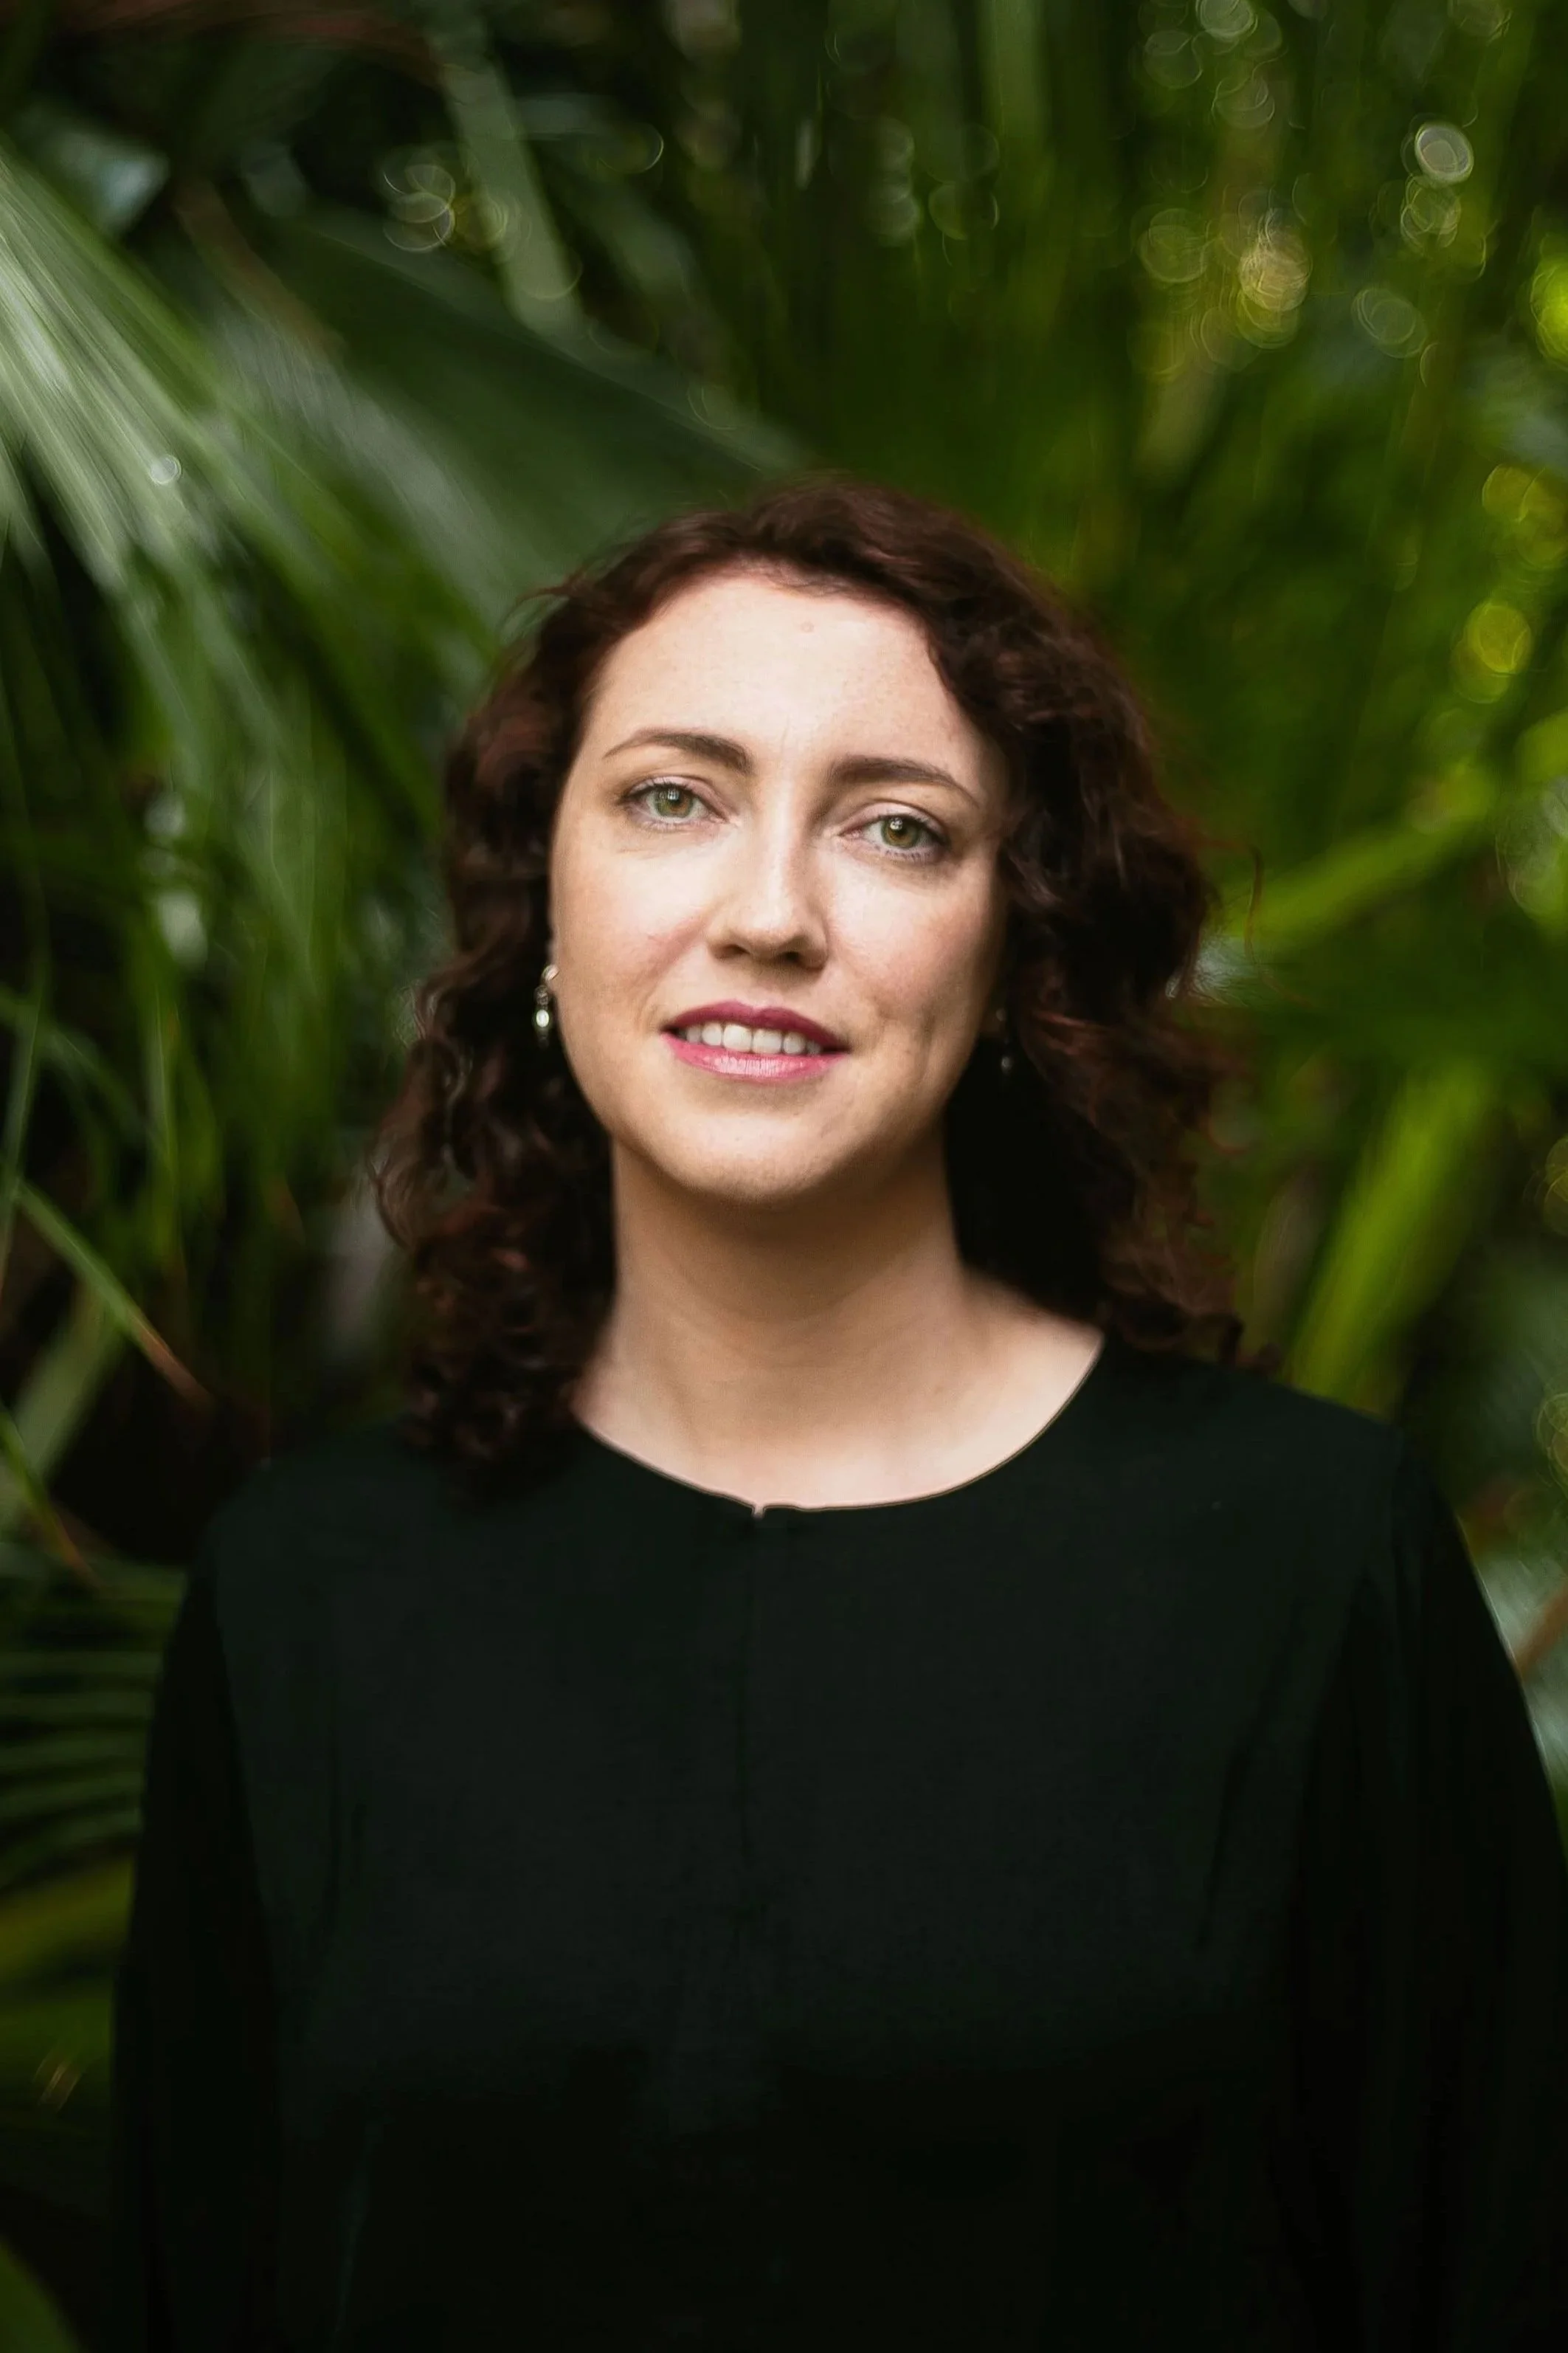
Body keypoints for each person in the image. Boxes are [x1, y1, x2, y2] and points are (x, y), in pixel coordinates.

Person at [108, 478, 1568, 2349]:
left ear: (1018, 952)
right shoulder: (307, 1591)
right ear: (542, 899)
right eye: (672, 797)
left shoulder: (1308, 1562)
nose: (772, 913)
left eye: (896, 828)